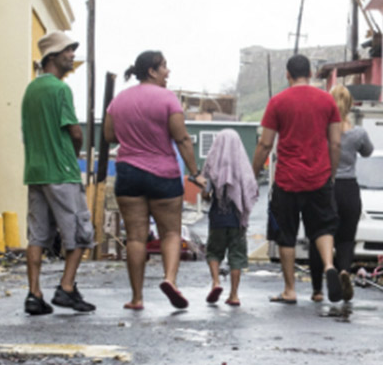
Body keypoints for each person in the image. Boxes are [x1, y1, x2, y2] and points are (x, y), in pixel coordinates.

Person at [104, 51, 201, 310]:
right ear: (152, 71)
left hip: (128, 173)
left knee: (135, 237)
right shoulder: (168, 98)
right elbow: (181, 138)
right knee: (170, 232)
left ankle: (136, 298)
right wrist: (194, 172)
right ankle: (170, 280)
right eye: (164, 67)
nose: (168, 72)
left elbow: (109, 135)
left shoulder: (119, 100)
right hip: (163, 174)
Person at [252, 54, 343, 305]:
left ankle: (290, 290)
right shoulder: (327, 101)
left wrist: (252, 174)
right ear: (311, 73)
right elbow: (335, 142)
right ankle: (327, 266)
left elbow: (265, 144)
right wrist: (331, 173)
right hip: (319, 177)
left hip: (288, 180)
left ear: (288, 75)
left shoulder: (277, 102)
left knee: (287, 235)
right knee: (323, 227)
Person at [20, 30, 96, 316]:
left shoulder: (31, 90)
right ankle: (66, 287)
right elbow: (75, 132)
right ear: (52, 57)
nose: (72, 55)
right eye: (67, 51)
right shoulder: (60, 89)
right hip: (62, 171)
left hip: (36, 171)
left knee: (37, 235)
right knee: (79, 233)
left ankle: (34, 293)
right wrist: (74, 154)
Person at [306, 85, 373, 303]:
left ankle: (317, 290)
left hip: (325, 187)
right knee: (346, 239)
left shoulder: (321, 131)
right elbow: (368, 151)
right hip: (349, 190)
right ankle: (344, 271)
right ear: (350, 105)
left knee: (319, 236)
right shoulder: (358, 133)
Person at [201, 129, 259, 307]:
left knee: (213, 252)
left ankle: (216, 282)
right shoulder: (243, 166)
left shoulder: (212, 165)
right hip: (237, 221)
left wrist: (211, 197)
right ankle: (234, 295)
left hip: (218, 219)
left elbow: (205, 194)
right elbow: (251, 190)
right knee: (236, 256)